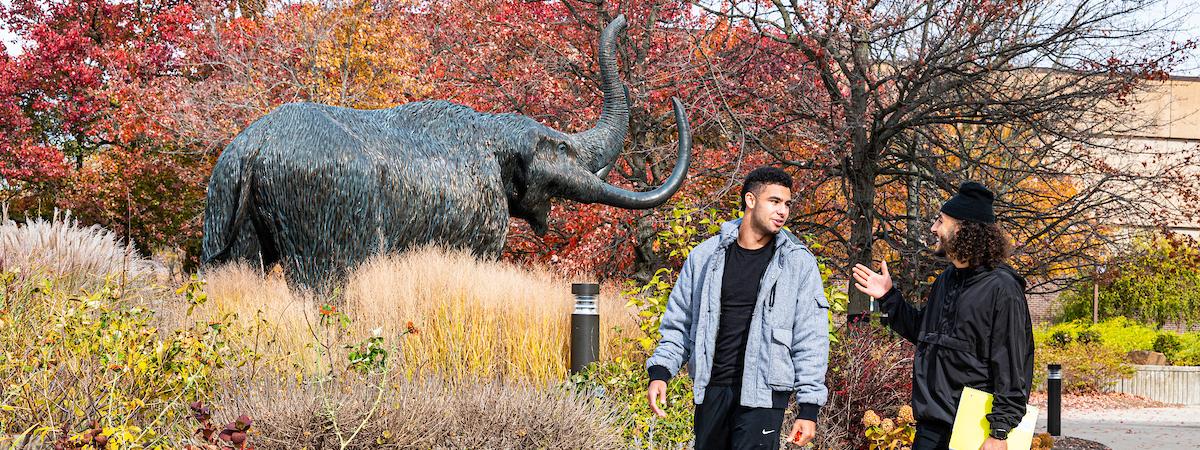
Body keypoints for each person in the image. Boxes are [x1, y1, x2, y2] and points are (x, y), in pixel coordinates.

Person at [645, 166, 830, 450]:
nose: (783, 211)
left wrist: (808, 408)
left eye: (787, 204)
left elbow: (811, 339)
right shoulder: (705, 257)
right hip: (712, 390)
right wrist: (661, 372)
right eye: (774, 201)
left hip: (764, 398)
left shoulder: (797, 263)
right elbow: (679, 323)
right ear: (750, 200)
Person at [852, 181, 1034, 450]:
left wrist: (999, 431)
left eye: (940, 221)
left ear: (963, 228)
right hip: (931, 426)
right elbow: (922, 333)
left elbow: (1013, 366)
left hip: (974, 429)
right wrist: (889, 298)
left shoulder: (1002, 288)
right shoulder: (946, 280)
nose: (933, 228)